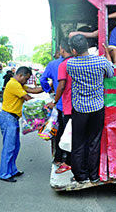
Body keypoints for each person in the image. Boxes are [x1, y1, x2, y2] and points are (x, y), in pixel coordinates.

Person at [66, 35, 114, 184]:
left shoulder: (71, 64)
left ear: (73, 50)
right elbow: (111, 74)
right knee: (94, 142)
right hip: (97, 108)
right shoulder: (101, 61)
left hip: (80, 109)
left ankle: (81, 176)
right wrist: (107, 56)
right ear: (87, 46)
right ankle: (94, 175)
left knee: (79, 143)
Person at [0, 67, 43, 182]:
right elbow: (28, 98)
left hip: (12, 118)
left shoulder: (18, 84)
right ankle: (5, 173)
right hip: (8, 118)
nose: (27, 81)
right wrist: (44, 105)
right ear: (21, 76)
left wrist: (49, 86)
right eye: (26, 78)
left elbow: (34, 90)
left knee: (15, 146)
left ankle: (12, 170)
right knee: (9, 147)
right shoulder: (14, 85)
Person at [47, 38, 73, 174]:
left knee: (64, 134)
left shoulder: (62, 64)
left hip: (65, 106)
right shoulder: (79, 61)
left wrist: (54, 100)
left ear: (62, 50)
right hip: (82, 106)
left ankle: (64, 160)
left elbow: (61, 86)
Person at [40, 51, 64, 157]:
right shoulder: (74, 61)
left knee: (59, 130)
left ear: (61, 51)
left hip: (59, 103)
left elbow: (42, 79)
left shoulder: (53, 64)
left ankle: (59, 156)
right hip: (74, 104)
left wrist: (48, 90)